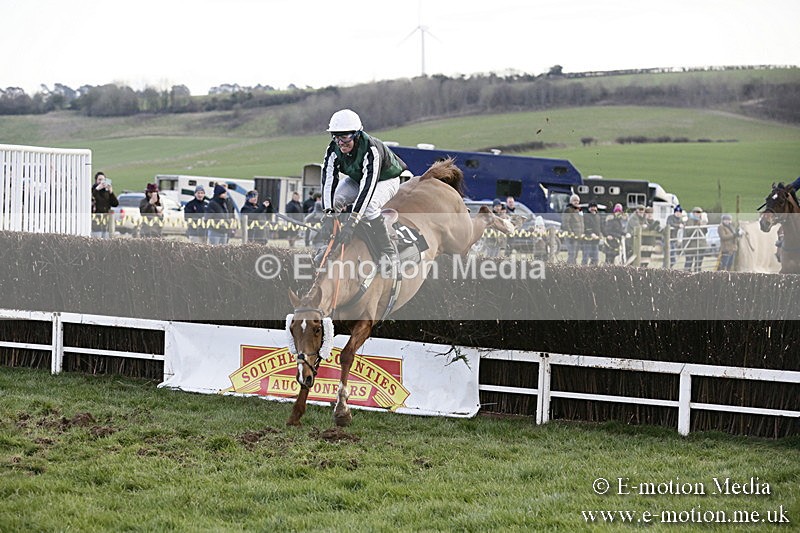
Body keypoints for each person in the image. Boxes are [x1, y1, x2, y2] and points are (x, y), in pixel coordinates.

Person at [319, 109, 407, 269]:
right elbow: (328, 181)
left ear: (357, 135)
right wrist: (328, 214)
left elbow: (367, 189)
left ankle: (389, 253)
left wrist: (352, 223)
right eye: (336, 137)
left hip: (385, 179)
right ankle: (330, 245)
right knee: (334, 201)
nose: (340, 143)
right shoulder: (333, 149)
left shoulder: (371, 150)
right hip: (358, 178)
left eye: (344, 137)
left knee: (370, 206)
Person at [91, 171, 118, 238]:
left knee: (105, 239)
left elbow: (115, 203)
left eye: (103, 180)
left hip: (105, 221)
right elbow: (93, 197)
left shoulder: (106, 192)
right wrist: (97, 189)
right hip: (95, 221)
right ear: (96, 181)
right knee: (97, 238)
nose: (101, 182)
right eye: (99, 180)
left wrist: (111, 192)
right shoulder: (93, 190)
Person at [683, 206, 708, 272]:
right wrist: (697, 225)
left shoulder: (702, 220)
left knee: (698, 264)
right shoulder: (690, 220)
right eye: (696, 212)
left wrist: (704, 226)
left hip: (701, 245)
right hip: (691, 245)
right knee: (689, 263)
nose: (698, 214)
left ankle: (697, 277)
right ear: (693, 213)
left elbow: (704, 232)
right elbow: (689, 232)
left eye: (699, 213)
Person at [562, 193, 584, 264]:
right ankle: (568, 269)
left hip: (578, 237)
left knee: (575, 255)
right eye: (574, 200)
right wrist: (571, 233)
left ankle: (573, 269)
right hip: (571, 237)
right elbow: (565, 223)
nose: (576, 202)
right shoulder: (568, 210)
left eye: (577, 201)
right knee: (572, 254)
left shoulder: (579, 211)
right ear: (571, 201)